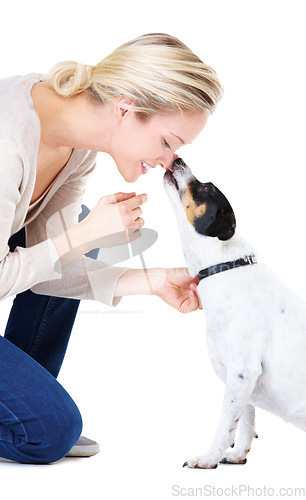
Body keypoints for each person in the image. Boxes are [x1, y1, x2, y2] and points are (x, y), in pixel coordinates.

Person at [0, 33, 222, 464]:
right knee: (49, 433)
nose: (169, 161)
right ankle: (31, 420)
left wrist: (153, 281)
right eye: (167, 142)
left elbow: (52, 268)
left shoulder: (76, 147)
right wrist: (83, 234)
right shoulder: (8, 142)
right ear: (125, 109)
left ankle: (21, 409)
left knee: (71, 235)